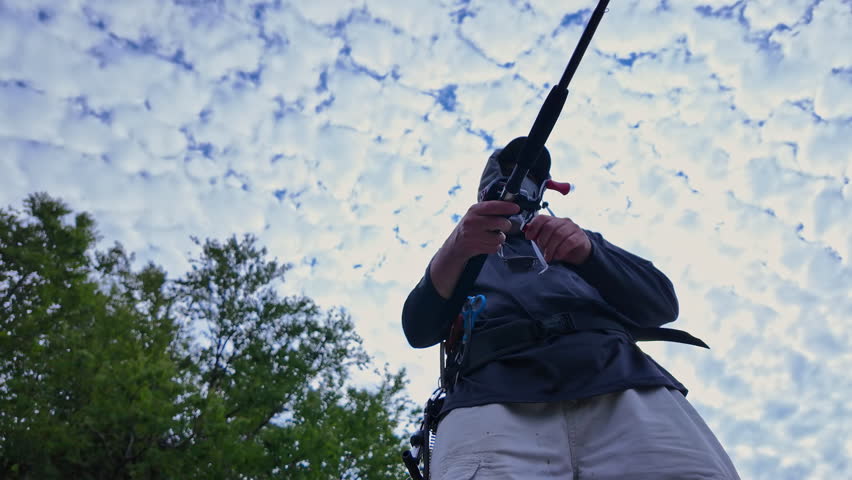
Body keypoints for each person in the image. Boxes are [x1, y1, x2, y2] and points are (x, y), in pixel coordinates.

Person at [401, 138, 741, 479]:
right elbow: (419, 328)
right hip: (489, 400)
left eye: (534, 176)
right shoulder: (463, 252)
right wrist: (457, 248)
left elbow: (661, 305)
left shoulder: (578, 239)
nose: (520, 183)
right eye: (510, 173)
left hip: (627, 386)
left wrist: (589, 252)